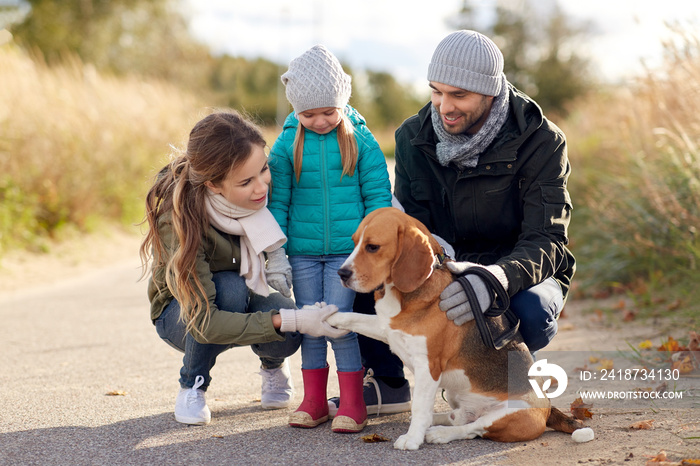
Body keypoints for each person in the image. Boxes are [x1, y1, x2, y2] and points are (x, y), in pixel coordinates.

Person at [352, 29, 576, 414]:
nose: (444, 106)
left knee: (532, 312)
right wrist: (447, 272)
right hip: (446, 264)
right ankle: (390, 383)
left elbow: (548, 241)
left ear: (490, 92)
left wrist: (493, 279)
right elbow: (412, 231)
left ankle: (501, 378)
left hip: (515, 270)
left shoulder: (541, 140)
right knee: (363, 277)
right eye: (436, 91)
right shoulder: (412, 136)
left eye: (459, 95)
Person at [140, 111, 347, 426]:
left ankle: (272, 366)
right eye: (246, 182)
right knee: (232, 290)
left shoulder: (260, 195)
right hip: (182, 316)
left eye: (263, 170)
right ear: (214, 184)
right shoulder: (180, 218)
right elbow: (205, 322)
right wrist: (293, 319)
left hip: (244, 297)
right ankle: (191, 385)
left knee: (288, 331)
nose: (261, 186)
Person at [267, 45, 393, 433]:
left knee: (339, 323)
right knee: (311, 325)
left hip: (346, 254)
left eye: (328, 111)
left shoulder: (362, 142)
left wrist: (375, 254)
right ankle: (314, 401)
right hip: (302, 254)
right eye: (309, 114)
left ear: (342, 103)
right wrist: (276, 254)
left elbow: (377, 202)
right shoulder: (287, 145)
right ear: (295, 110)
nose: (320, 121)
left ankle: (353, 402)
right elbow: (278, 203)